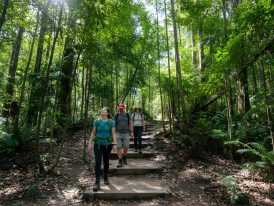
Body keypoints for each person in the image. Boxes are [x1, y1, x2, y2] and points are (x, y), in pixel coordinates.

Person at [88, 107, 117, 192]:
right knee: (97, 162)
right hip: (97, 144)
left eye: (104, 110)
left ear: (107, 113)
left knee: (106, 161)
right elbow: (93, 132)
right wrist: (90, 143)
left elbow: (113, 134)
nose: (102, 111)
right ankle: (97, 182)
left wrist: (115, 144)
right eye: (102, 110)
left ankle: (105, 176)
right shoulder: (96, 122)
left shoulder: (111, 122)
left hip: (107, 145)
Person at [114, 103, 133, 167]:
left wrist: (132, 132)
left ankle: (124, 156)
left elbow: (130, 123)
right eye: (119, 108)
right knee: (118, 147)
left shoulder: (127, 114)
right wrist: (113, 132)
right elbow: (114, 123)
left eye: (122, 108)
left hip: (126, 133)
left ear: (124, 108)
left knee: (126, 146)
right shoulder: (116, 115)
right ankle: (120, 161)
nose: (120, 109)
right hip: (118, 133)